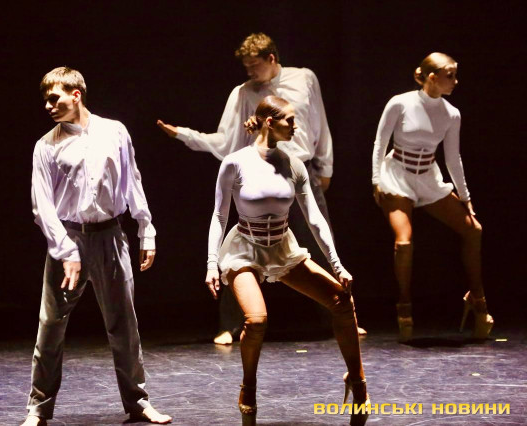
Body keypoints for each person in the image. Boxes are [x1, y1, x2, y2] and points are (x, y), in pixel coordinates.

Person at [157, 32, 366, 343]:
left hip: (300, 168)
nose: (250, 72)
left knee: (320, 236)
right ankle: (230, 324)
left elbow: (319, 124)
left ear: (272, 58)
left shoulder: (304, 78)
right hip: (260, 171)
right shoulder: (244, 93)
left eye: (254, 65)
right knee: (244, 245)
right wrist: (185, 134)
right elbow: (225, 140)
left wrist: (325, 166)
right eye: (246, 67)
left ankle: (344, 314)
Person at [206, 95, 369, 425]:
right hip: (244, 248)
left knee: (342, 300)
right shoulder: (235, 163)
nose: (296, 126)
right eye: (290, 120)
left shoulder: (293, 164)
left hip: (282, 247)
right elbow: (219, 216)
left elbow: (315, 219)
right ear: (270, 122)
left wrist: (337, 264)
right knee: (256, 321)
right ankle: (248, 386)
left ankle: (358, 382)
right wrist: (211, 262)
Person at [22, 67, 171, 425]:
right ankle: (38, 408)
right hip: (69, 237)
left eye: (54, 98)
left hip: (110, 236)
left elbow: (131, 179)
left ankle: (138, 402)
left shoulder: (114, 131)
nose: (48, 106)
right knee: (51, 325)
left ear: (76, 95)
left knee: (124, 324)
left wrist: (146, 228)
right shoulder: (46, 146)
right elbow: (42, 206)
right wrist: (66, 251)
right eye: (45, 100)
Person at [371, 52, 493, 343]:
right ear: (431, 77)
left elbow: (453, 158)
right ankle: (404, 304)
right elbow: (380, 142)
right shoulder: (400, 103)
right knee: (404, 242)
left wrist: (465, 196)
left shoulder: (451, 113)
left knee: (473, 229)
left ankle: (477, 298)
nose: (455, 81)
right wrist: (376, 181)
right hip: (397, 175)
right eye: (450, 76)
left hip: (428, 177)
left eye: (455, 75)